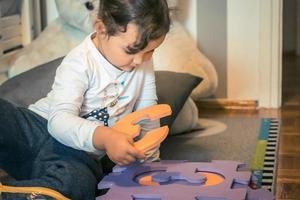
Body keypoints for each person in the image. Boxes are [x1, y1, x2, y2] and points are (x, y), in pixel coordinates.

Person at [0, 0, 171, 199]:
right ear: (101, 29)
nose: (140, 60)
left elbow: (147, 114)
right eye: (131, 51)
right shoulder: (79, 62)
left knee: (80, 184)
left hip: (77, 156)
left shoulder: (141, 63)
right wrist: (105, 137)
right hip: (38, 128)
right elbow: (59, 122)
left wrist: (148, 166)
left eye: (151, 51)